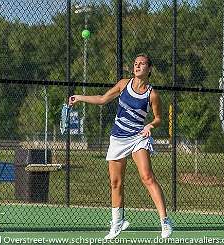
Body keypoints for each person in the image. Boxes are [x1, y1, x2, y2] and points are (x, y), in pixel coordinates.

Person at [69, 54, 172, 239]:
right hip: (118, 139)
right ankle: (117, 223)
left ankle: (165, 222)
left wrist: (150, 125)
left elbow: (158, 118)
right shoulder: (123, 84)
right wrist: (79, 98)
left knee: (147, 177)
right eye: (135, 64)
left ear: (149, 69)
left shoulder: (152, 94)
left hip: (138, 138)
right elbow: (102, 99)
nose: (137, 66)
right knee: (115, 183)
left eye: (142, 64)